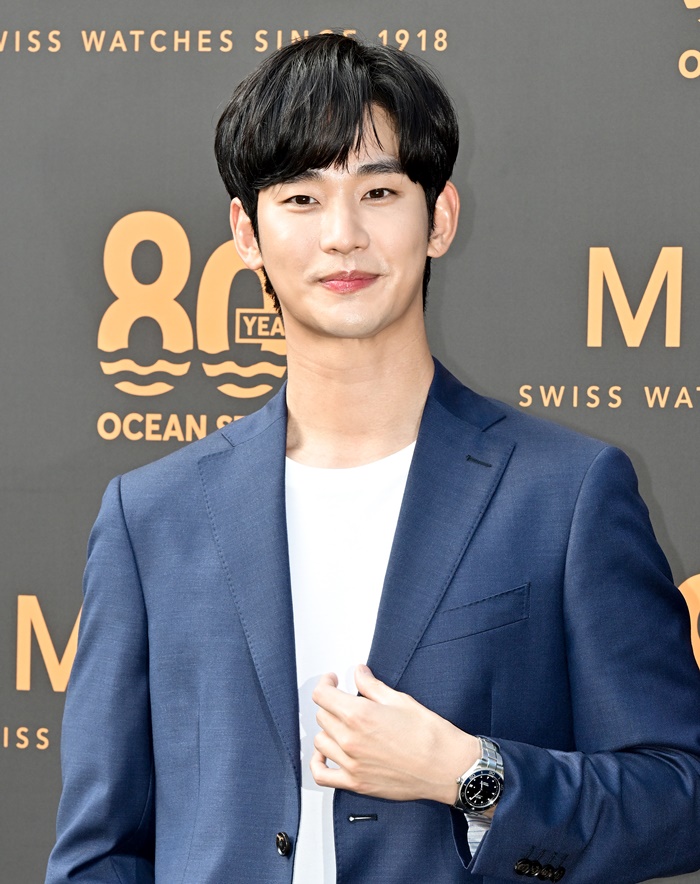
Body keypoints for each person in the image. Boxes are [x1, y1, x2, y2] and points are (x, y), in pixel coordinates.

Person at [46, 33, 700, 884]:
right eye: (301, 197)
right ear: (246, 233)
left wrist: (469, 774)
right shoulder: (151, 517)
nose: (343, 235)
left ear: (441, 218)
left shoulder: (566, 494)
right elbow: (100, 852)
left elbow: (677, 796)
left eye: (379, 191)